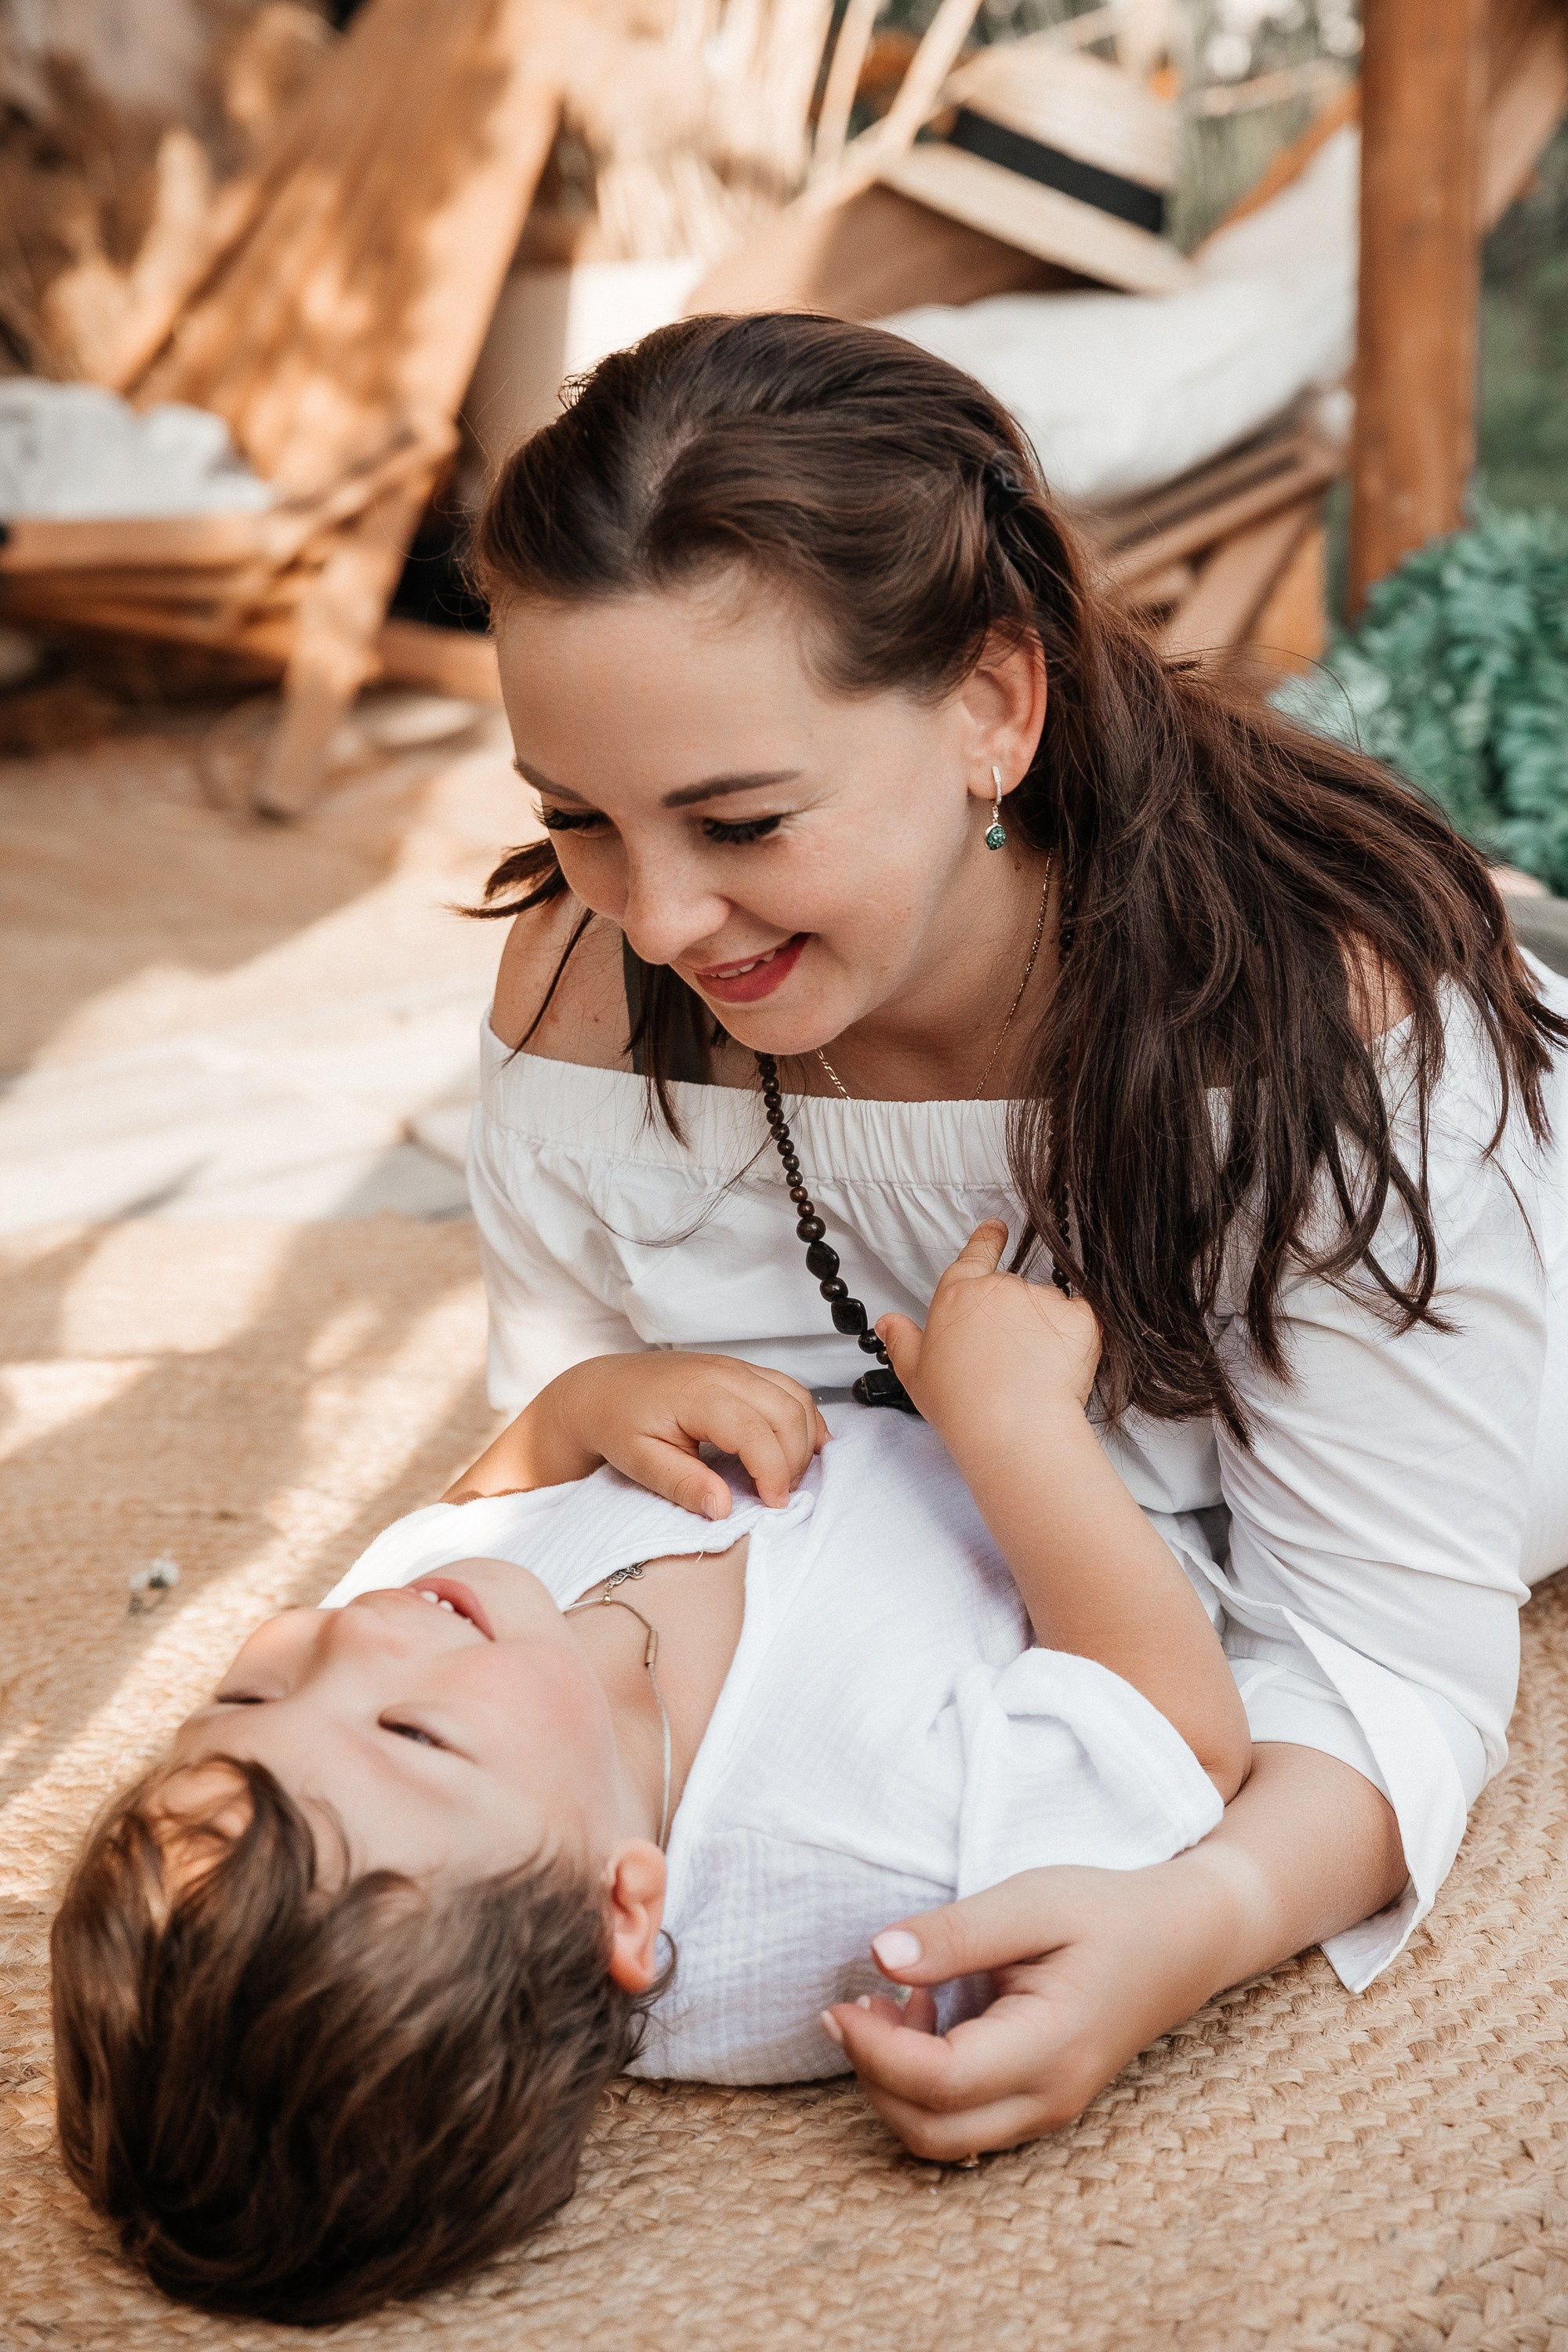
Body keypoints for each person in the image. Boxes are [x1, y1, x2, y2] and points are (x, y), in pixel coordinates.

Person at [463, 309, 1568, 2162]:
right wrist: (579, 1412)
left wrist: (1184, 1927)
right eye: (578, 816)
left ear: (992, 704)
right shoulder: (584, 1005)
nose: (654, 915)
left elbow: (1386, 1655)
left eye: (740, 819)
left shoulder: (1316, 1037)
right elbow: (561, 1505)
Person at [50, 1231, 1247, 2323]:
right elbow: (1182, 1743)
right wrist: (1015, 1426)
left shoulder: (458, 1632)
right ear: (625, 1902)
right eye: (413, 1735)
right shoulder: (866, 1854)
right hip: (1124, 1449)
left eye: (243, 1699)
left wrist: (576, 1414)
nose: (344, 1636)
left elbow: (478, 1503)